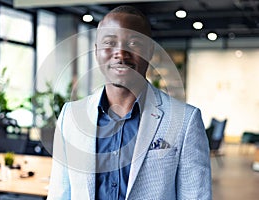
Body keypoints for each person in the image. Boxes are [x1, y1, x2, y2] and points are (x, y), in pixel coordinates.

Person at [47, 5, 211, 200]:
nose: (121, 54)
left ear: (150, 51)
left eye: (133, 43)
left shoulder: (185, 120)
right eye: (110, 42)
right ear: (97, 51)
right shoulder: (71, 116)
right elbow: (60, 193)